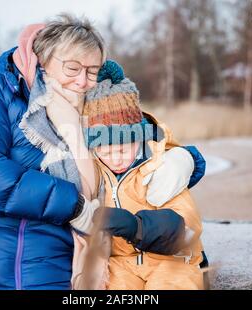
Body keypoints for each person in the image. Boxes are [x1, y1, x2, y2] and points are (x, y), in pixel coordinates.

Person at [0, 15, 205, 290]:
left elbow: (138, 137)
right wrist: (74, 206)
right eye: (72, 68)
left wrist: (186, 158)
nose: (82, 81)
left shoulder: (93, 109)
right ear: (43, 60)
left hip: (48, 272)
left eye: (91, 71)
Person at [81, 73, 205, 289]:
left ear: (138, 139)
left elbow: (189, 229)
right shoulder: (94, 174)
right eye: (106, 152)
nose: (116, 159)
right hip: (121, 263)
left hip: (172, 261)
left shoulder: (161, 169)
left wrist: (138, 227)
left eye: (123, 149)